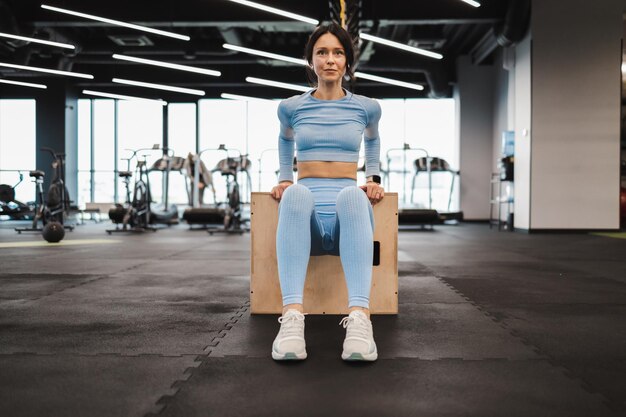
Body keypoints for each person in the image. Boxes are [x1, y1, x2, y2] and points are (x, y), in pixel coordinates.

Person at [270, 23, 384, 362]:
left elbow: (373, 139)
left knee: (353, 194)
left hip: (347, 222)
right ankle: (291, 320)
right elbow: (284, 138)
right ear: (311, 61)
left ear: (348, 62)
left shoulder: (367, 107)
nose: (330, 60)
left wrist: (374, 176)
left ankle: (361, 321)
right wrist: (285, 177)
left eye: (337, 53)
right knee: (295, 194)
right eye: (322, 52)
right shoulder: (291, 107)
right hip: (305, 226)